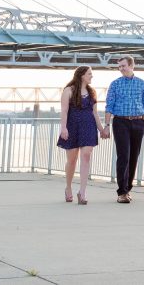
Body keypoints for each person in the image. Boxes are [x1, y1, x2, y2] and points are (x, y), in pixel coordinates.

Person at [56, 66, 108, 205]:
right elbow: (64, 111)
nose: (92, 76)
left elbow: (95, 113)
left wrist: (102, 129)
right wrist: (63, 128)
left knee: (86, 156)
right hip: (72, 127)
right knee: (72, 160)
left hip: (88, 127)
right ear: (82, 75)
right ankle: (68, 188)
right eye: (89, 74)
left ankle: (82, 192)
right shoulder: (69, 90)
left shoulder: (92, 92)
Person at [104, 56, 144, 203]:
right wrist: (107, 125)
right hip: (120, 122)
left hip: (138, 122)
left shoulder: (142, 83)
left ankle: (128, 189)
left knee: (134, 156)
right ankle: (121, 192)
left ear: (131, 65)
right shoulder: (115, 84)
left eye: (123, 66)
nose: (121, 69)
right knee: (124, 156)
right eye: (119, 67)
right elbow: (109, 106)